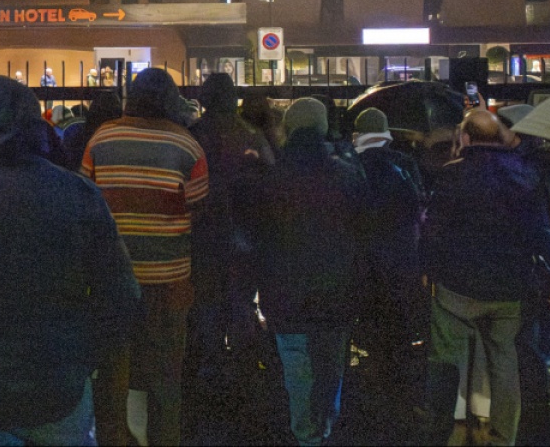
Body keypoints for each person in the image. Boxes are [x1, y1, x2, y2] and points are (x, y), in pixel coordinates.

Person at [0, 76, 140, 446]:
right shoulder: (80, 195)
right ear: (36, 125)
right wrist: (83, 361)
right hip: (59, 389)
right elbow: (122, 295)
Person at [81, 68, 208, 446]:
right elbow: (199, 212)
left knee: (113, 379)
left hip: (111, 282)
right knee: (165, 380)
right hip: (168, 282)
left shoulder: (101, 139)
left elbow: (85, 204)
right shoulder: (187, 146)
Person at [421, 108, 550, 447]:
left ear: (465, 138)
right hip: (510, 288)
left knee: (448, 358)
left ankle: (446, 428)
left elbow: (433, 231)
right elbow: (539, 232)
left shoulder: (453, 174)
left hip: (458, 287)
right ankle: (503, 435)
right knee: (504, 361)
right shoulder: (525, 175)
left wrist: (429, 271)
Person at [253, 97, 366, 447]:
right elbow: (363, 232)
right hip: (336, 288)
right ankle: (326, 423)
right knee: (331, 364)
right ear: (323, 127)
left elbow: (260, 238)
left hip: (285, 290)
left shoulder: (271, 177)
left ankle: (306, 432)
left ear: (288, 127)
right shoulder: (347, 174)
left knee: (296, 365)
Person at [184, 73, 273, 441]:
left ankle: (209, 377)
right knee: (240, 305)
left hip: (203, 236)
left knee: (206, 306)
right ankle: (243, 377)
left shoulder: (192, 135)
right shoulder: (251, 135)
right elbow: (269, 182)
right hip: (244, 236)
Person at [347, 108, 426, 433]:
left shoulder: (351, 164)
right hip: (400, 260)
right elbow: (418, 210)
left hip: (364, 261)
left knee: (371, 325)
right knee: (399, 328)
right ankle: (402, 400)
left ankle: (373, 395)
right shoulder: (404, 163)